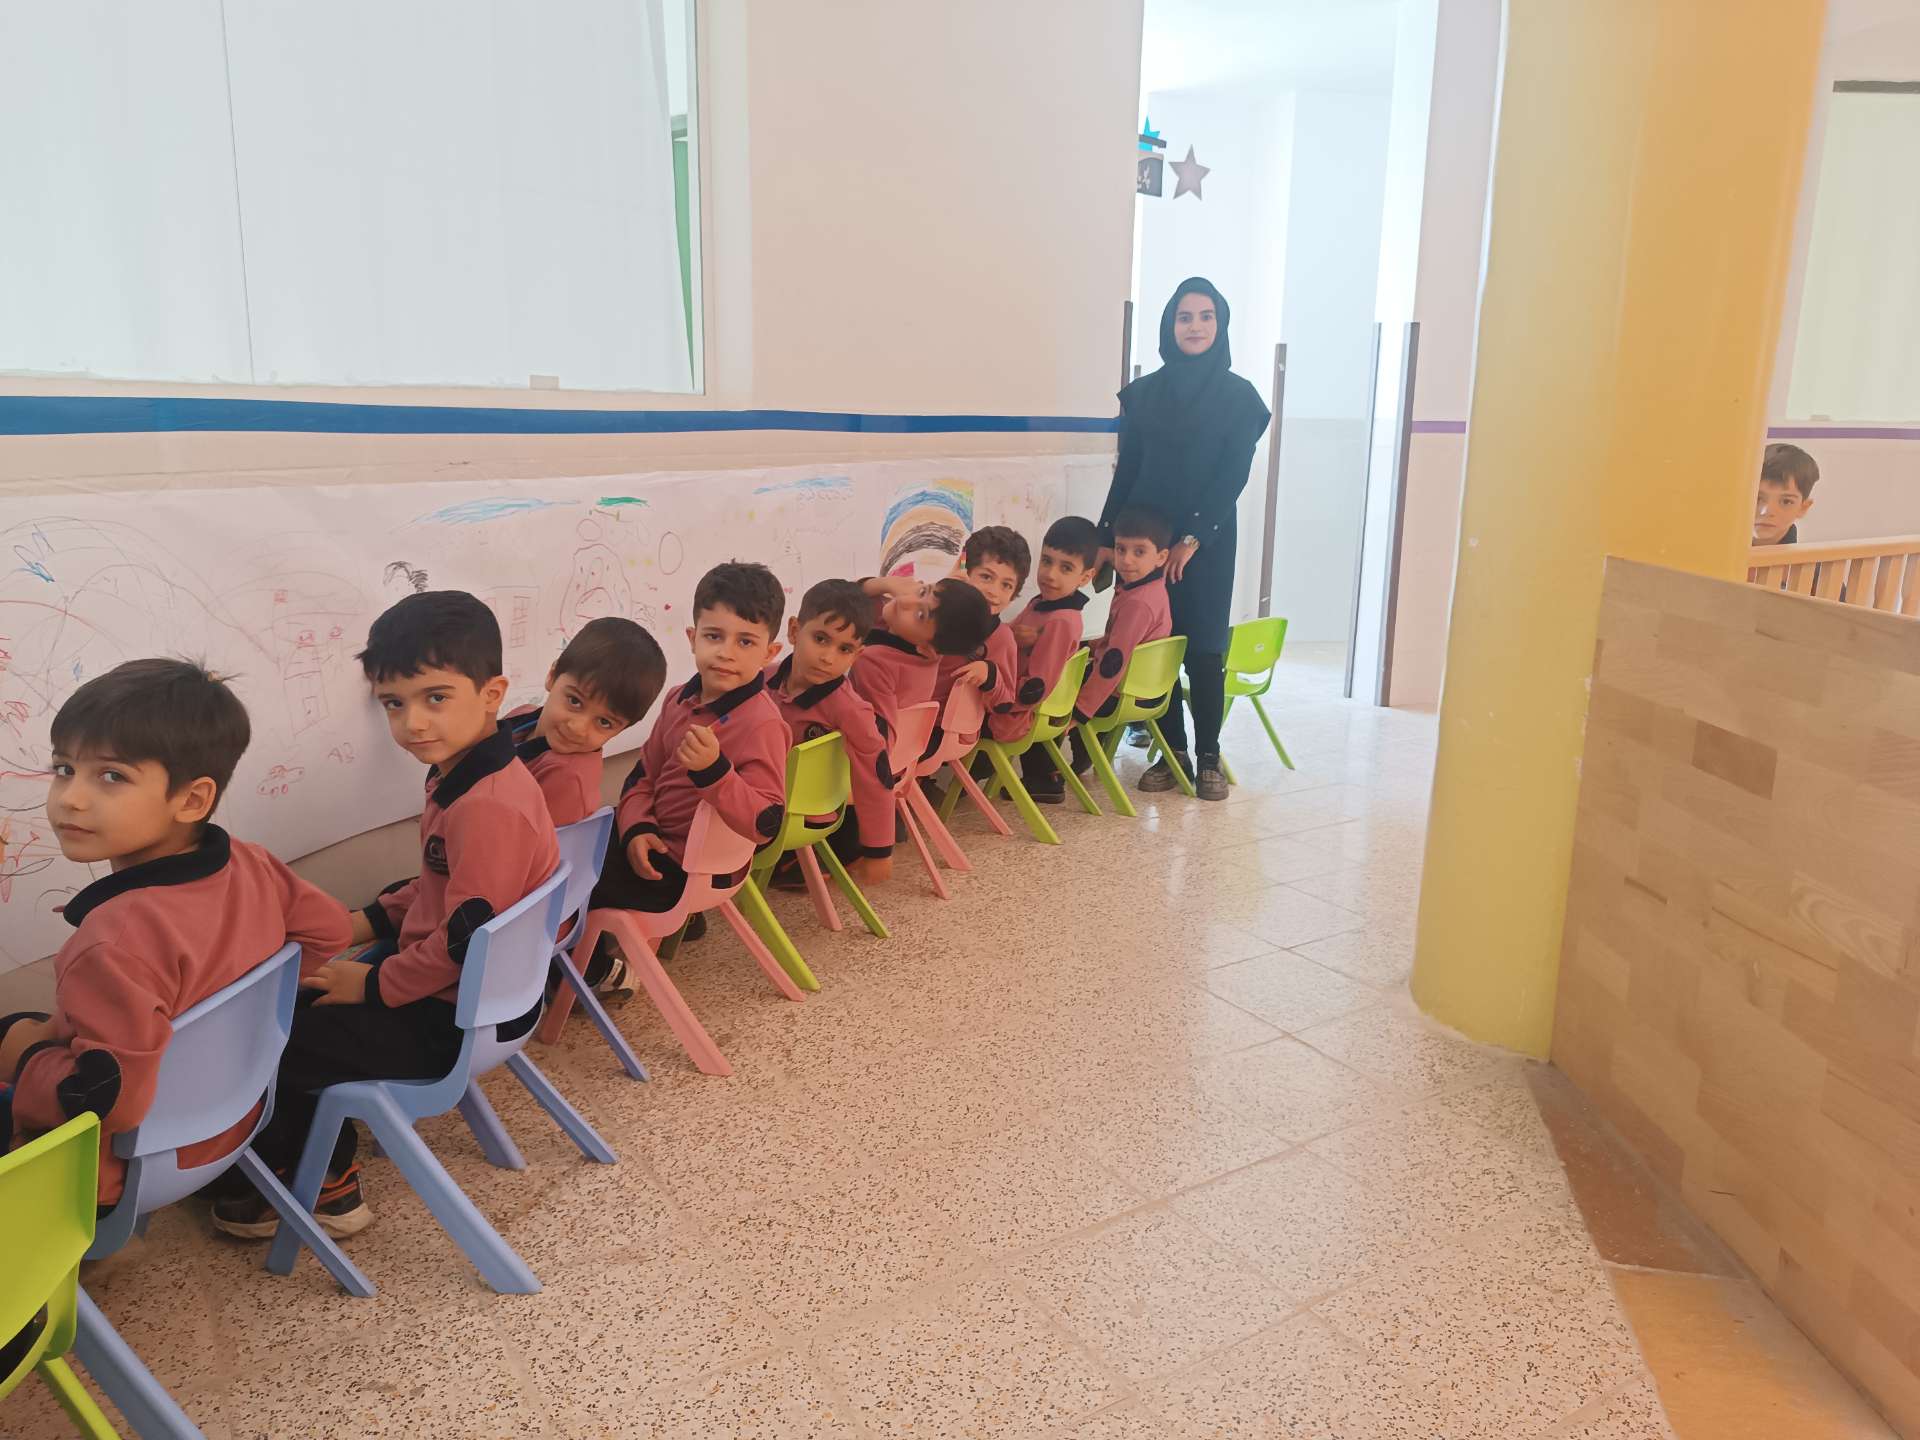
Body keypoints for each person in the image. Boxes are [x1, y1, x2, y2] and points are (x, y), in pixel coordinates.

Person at [213, 591, 559, 1238]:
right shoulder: (465, 774)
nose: (412, 723)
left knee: (283, 1039)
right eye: (394, 704)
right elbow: (440, 885)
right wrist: (364, 923)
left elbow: (463, 939)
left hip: (450, 1019)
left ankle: (323, 1184)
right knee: (302, 997)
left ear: (492, 694)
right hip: (471, 996)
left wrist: (374, 983)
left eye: (435, 697)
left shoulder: (485, 806)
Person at [0, 660, 351, 1207]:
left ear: (191, 800)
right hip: (236, 1117)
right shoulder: (251, 862)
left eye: (111, 776)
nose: (70, 797)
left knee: (13, 1036)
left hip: (124, 1169)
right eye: (65, 768)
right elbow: (330, 929)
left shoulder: (111, 943)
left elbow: (106, 1100)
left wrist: (24, 1058)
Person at [1102, 277, 1271, 801]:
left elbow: (1233, 475)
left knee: (1204, 648)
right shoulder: (1144, 395)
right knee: (1155, 646)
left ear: (1220, 324)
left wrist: (1193, 537)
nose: (1194, 326)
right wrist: (1108, 538)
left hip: (1208, 542)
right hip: (1146, 542)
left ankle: (1209, 757)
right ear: (1169, 325)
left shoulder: (1240, 398)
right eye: (1184, 317)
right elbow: (1128, 471)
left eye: (1205, 316)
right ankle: (1171, 750)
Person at [587, 563, 789, 965]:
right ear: (693, 638)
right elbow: (643, 777)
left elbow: (766, 824)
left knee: (567, 877)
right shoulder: (678, 698)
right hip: (655, 847)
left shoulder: (762, 723)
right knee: (581, 836)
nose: (726, 652)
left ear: (770, 654)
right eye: (714, 636)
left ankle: (594, 974)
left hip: (684, 875)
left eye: (745, 642)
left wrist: (714, 773)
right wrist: (638, 828)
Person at [766, 579, 896, 883]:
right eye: (820, 639)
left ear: (857, 655)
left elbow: (876, 775)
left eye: (844, 649)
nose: (828, 657)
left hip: (802, 817)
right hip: (759, 800)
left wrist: (879, 851)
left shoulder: (851, 709)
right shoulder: (761, 679)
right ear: (795, 631)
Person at [504, 616, 667, 828]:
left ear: (622, 729)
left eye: (604, 722)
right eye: (575, 701)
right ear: (552, 676)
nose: (578, 728)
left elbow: (520, 843)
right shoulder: (522, 715)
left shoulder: (567, 779)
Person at [991, 515, 1099, 802]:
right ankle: (1041, 778)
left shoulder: (1061, 620)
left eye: (1066, 568)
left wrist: (996, 700)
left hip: (1018, 712)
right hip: (1024, 704)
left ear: (1085, 577)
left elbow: (1035, 687)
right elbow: (1007, 633)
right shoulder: (1041, 603)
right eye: (1047, 561)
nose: (1050, 574)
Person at [1070, 506, 1173, 776]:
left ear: (1161, 557)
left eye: (1139, 552)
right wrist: (1092, 645)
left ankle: (1052, 772)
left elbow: (1112, 663)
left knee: (1058, 688)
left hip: (1122, 692)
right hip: (1146, 689)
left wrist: (1081, 710)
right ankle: (1086, 751)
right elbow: (1124, 642)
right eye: (1120, 549)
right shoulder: (1151, 589)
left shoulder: (1138, 604)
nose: (1126, 560)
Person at [935, 526, 1029, 723]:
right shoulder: (937, 611)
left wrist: (990, 675)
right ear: (964, 572)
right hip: (910, 717)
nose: (994, 591)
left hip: (951, 731)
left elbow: (1004, 703)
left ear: (1013, 594)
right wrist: (943, 590)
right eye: (986, 577)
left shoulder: (1002, 639)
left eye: (1006, 585)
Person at [1754, 442, 1819, 547]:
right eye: (1757, 499)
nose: (1766, 512)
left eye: (1786, 501)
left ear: (1803, 508)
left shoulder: (1811, 558)